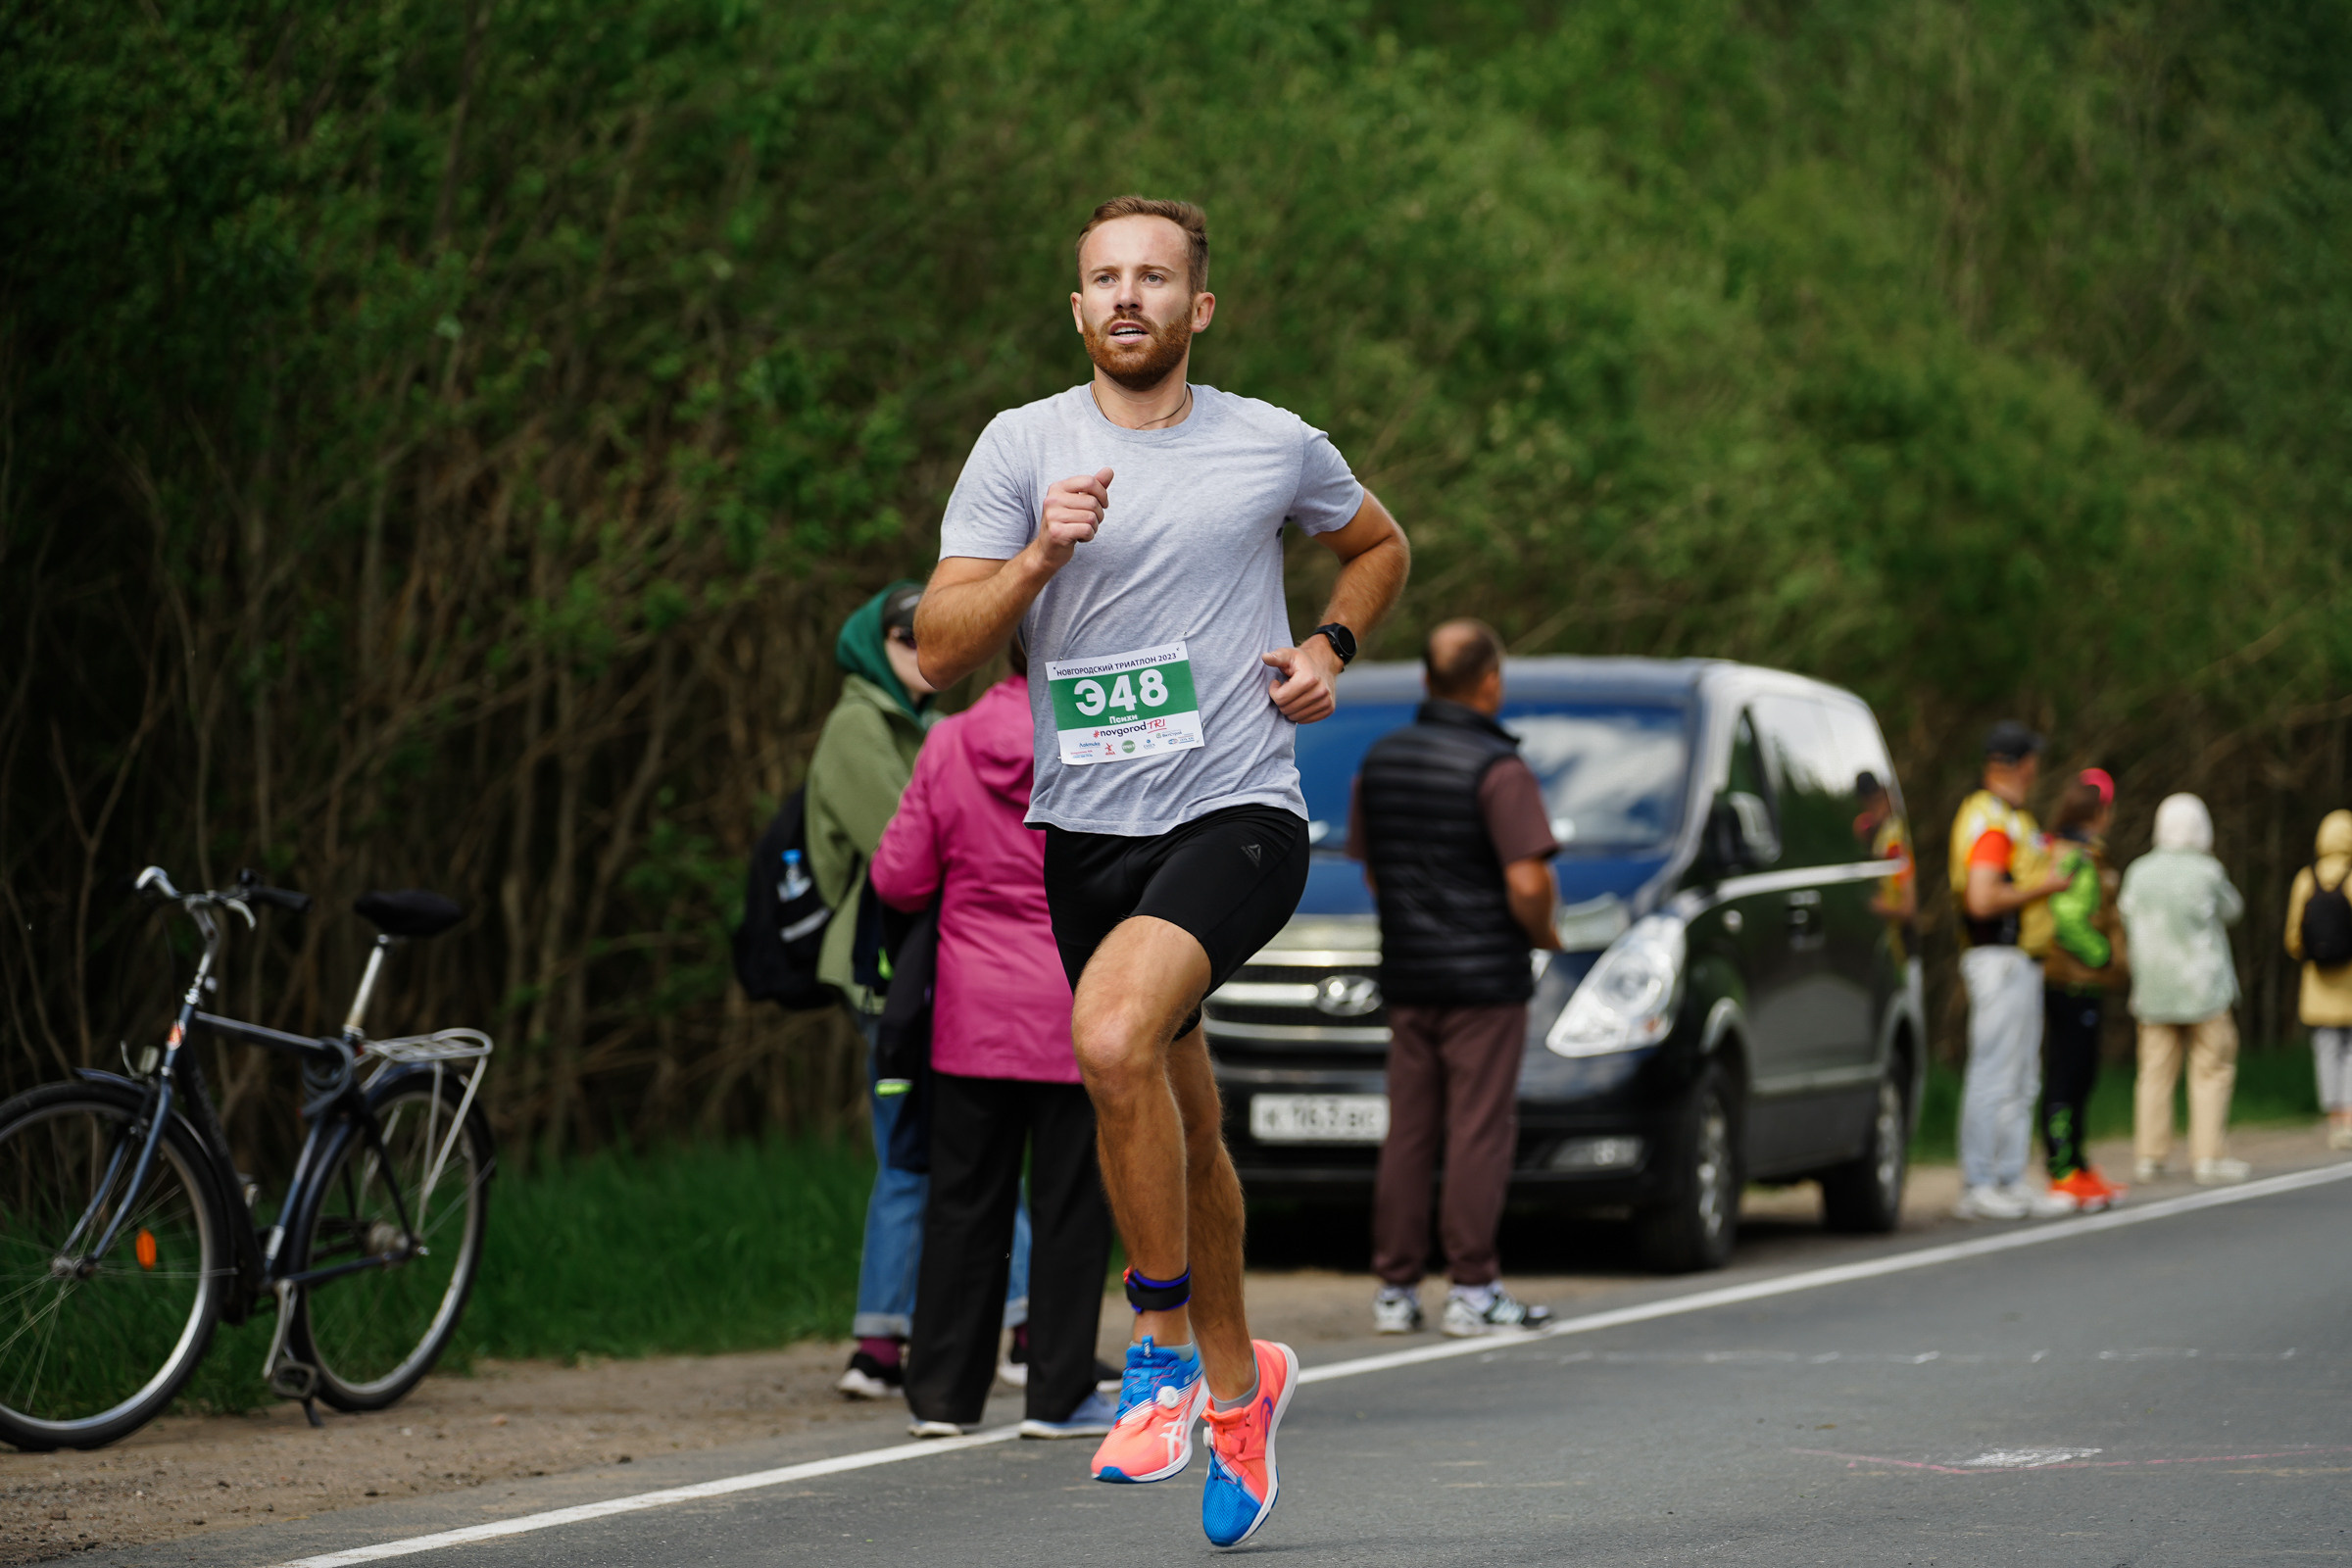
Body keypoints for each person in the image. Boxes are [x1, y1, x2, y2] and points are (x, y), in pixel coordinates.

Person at [911, 195, 1409, 1547]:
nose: (1128, 295)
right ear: (1077, 308)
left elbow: (1380, 545)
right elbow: (941, 651)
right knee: (1179, 1115)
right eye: (1104, 278)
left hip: (1236, 808)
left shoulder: (1270, 442)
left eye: (1154, 276)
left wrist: (1330, 648)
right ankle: (1247, 1391)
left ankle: (1163, 1349)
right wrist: (1039, 554)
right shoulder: (1021, 447)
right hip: (1089, 834)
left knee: (1109, 1034)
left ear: (1201, 306)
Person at [871, 634, 1119, 1441]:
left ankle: (942, 1398)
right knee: (1072, 1208)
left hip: (970, 1016)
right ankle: (1058, 1394)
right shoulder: (1106, 740)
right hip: (1078, 1005)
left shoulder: (948, 740)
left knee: (962, 1204)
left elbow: (899, 876)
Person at [805, 582, 1030, 1398]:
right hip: (892, 973)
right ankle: (901, 1343)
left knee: (945, 1152)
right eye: (908, 636)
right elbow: (900, 853)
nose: (924, 648)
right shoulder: (858, 726)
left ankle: (900, 1342)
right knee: (921, 1154)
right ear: (876, 645)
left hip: (950, 962)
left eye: (931, 632)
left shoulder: (934, 727)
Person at [1349, 619, 1558, 1338]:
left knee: (1409, 1130)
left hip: (1409, 975)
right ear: (1491, 681)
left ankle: (1395, 1289)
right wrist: (1544, 933)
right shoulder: (1499, 769)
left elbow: (1375, 872)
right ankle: (1473, 1289)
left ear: (1426, 681)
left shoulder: (1381, 761)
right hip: (1485, 981)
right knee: (1477, 1130)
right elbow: (1527, 880)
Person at [1946, 721, 2077, 1220]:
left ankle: (2010, 1177)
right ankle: (1980, 1182)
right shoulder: (1991, 820)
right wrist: (2047, 887)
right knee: (1995, 1072)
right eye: (2032, 760)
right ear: (2020, 764)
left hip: (2021, 960)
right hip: (1998, 958)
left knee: (2022, 1074)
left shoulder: (2011, 817)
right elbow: (1982, 899)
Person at [2117, 792, 2248, 1185]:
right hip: (2204, 989)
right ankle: (2208, 1156)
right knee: (2212, 1069)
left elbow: (2125, 913)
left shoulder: (2139, 871)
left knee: (2154, 1074)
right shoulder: (2207, 871)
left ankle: (2150, 1156)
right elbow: (2233, 910)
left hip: (2153, 989)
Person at [2039, 769, 2128, 1210]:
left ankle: (2079, 1163)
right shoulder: (2074, 855)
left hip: (2081, 982)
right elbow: (2067, 918)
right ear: (2098, 811)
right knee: (2068, 1073)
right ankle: (2062, 1168)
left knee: (2083, 1073)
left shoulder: (2080, 851)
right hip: (2071, 980)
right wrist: (2103, 955)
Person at [2283, 808, 2352, 1151]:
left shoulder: (2305, 879)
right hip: (2350, 983)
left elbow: (2293, 937)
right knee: (2350, 1049)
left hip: (2318, 984)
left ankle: (2334, 1118)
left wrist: (2313, 957)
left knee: (2326, 1049)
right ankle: (2350, 1119)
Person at [1852, 770, 1916, 958]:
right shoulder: (1884, 834)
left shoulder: (1893, 838)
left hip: (1908, 938)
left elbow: (1908, 907)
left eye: (1879, 799)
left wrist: (1874, 905)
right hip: (1900, 942)